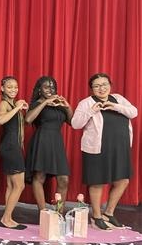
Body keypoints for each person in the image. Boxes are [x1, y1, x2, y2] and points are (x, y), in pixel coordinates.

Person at [71, 73, 137, 230]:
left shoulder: (118, 98)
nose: (102, 88)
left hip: (120, 147)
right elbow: (75, 124)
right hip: (97, 148)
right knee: (97, 182)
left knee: (123, 180)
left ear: (110, 85)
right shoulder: (86, 103)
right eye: (97, 86)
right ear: (92, 89)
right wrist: (91, 111)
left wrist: (114, 106)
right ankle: (96, 216)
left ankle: (109, 213)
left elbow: (133, 112)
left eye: (104, 84)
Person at [25, 76, 73, 213]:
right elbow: (28, 119)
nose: (50, 89)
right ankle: (43, 212)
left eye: (52, 87)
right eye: (46, 87)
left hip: (57, 142)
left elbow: (72, 122)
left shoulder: (59, 104)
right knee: (39, 176)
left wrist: (67, 105)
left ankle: (59, 212)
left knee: (64, 179)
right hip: (42, 141)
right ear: (39, 90)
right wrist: (45, 102)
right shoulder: (37, 103)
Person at [0, 76, 28, 229]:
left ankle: (7, 217)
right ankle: (6, 218)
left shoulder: (12, 103)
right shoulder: (4, 103)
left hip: (11, 146)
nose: (13, 90)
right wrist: (17, 108)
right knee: (19, 185)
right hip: (10, 147)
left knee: (11, 185)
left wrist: (22, 109)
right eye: (9, 87)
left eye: (15, 87)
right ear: (2, 88)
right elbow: (1, 120)